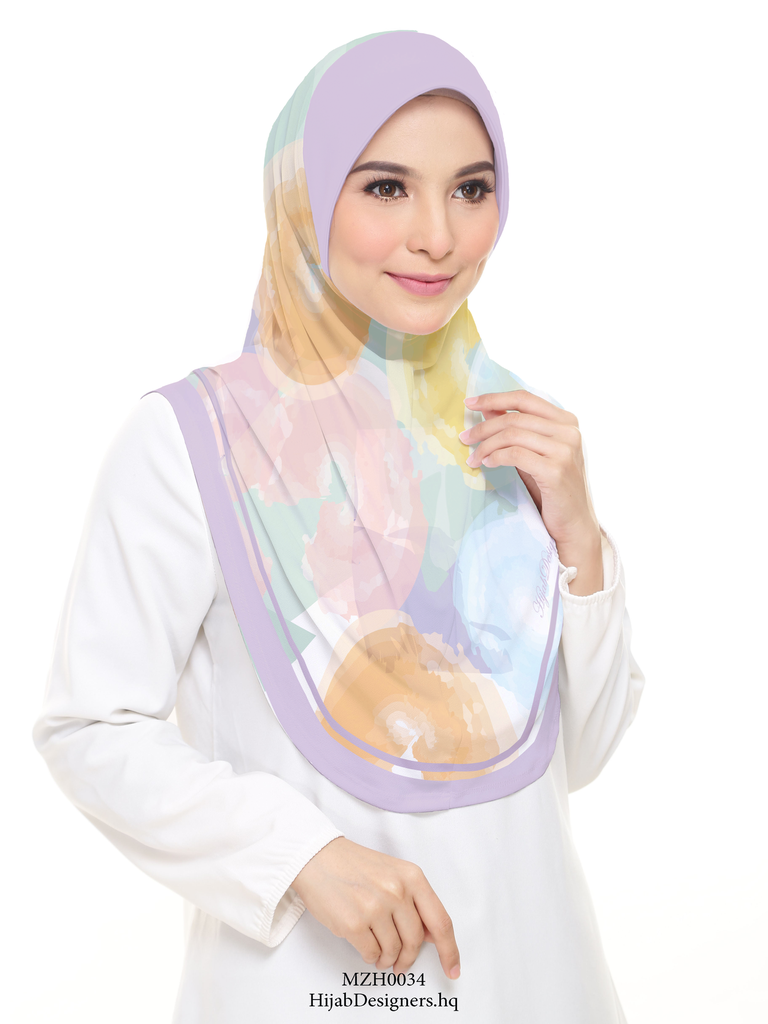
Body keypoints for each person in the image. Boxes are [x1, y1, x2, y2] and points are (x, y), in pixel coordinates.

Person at [33, 30, 645, 1023]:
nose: (437, 235)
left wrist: (579, 536)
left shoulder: (509, 429)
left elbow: (580, 751)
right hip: (317, 993)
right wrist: (299, 854)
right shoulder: (197, 438)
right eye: (386, 187)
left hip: (545, 983)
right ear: (303, 196)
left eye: (472, 189)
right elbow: (91, 727)